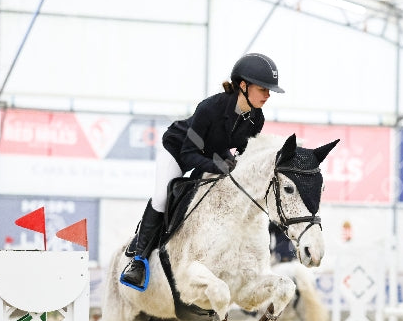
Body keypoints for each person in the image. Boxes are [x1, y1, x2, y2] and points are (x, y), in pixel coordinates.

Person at [120, 53, 285, 290]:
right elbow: (189, 153)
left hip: (213, 153)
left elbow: (243, 154)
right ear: (243, 85)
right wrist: (218, 165)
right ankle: (139, 260)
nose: (268, 95)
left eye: (269, 90)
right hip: (179, 149)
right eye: (263, 89)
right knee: (163, 197)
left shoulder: (256, 118)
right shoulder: (210, 108)